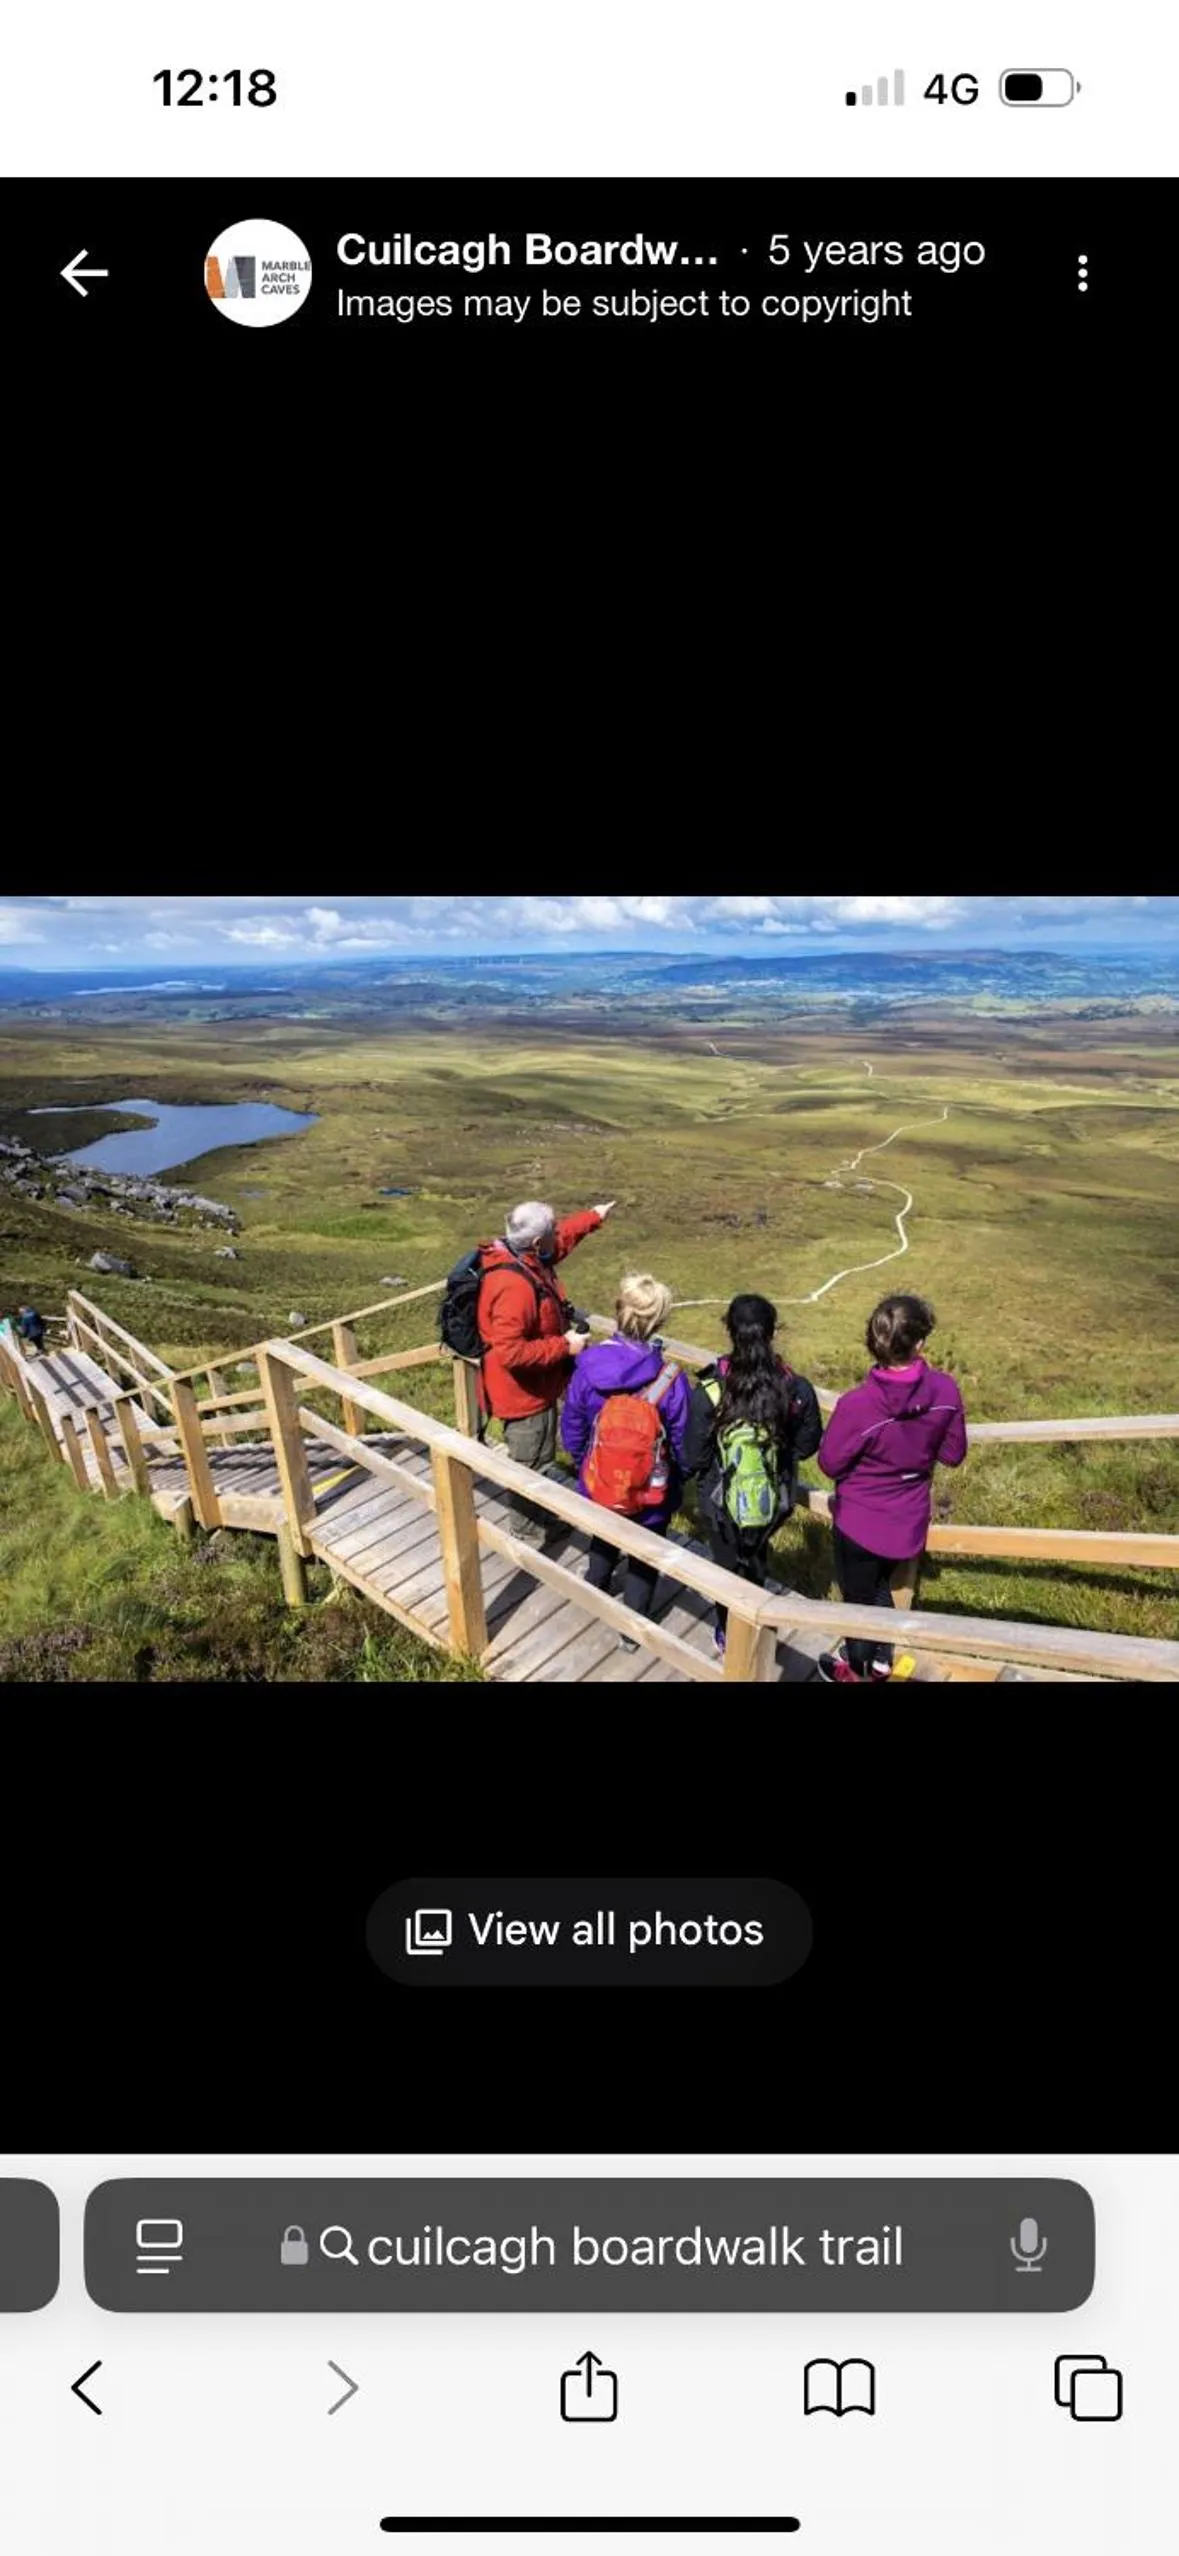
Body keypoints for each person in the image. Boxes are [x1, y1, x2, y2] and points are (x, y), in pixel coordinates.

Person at [816, 1291, 967, 1684]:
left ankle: (860, 1670)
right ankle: (882, 1661)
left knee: (858, 1601)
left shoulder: (858, 1404)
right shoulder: (946, 1391)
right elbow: (953, 1454)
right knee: (883, 1584)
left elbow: (830, 1462)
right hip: (908, 1521)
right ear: (919, 1343)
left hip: (859, 1522)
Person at [682, 1293, 822, 1657]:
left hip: (719, 1503)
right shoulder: (796, 1389)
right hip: (774, 1499)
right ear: (772, 1331)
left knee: (725, 1567)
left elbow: (694, 1457)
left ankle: (728, 1632)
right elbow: (807, 1446)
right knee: (757, 1557)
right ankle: (758, 1620)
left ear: (729, 1331)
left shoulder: (711, 1390)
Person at [561, 1272, 693, 1647]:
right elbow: (682, 1441)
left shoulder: (588, 1364)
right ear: (659, 1322)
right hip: (650, 1496)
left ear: (618, 1310)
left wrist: (582, 1460)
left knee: (603, 1537)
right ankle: (632, 1629)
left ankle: (596, 1587)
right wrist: (676, 1481)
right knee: (644, 1557)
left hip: (599, 1482)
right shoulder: (671, 1379)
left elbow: (572, 1422)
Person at [476, 1198, 615, 1545]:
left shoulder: (520, 1256)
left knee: (538, 1458)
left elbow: (561, 1240)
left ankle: (537, 1517)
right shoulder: (515, 1287)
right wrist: (564, 1346)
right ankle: (528, 1534)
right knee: (529, 1464)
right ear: (538, 1243)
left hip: (534, 1387)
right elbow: (510, 1351)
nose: (558, 1233)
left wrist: (592, 1217)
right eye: (551, 1230)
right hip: (523, 1395)